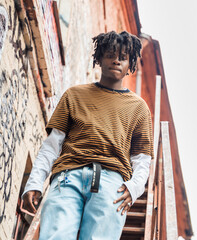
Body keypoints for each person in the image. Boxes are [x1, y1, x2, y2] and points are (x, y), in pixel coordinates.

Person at [21, 30, 154, 239]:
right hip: (67, 177)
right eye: (111, 54)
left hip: (113, 186)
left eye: (123, 57)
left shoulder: (138, 108)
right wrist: (35, 183)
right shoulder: (74, 95)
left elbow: (142, 159)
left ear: (130, 65)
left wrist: (134, 188)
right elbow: (51, 145)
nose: (117, 60)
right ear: (99, 57)